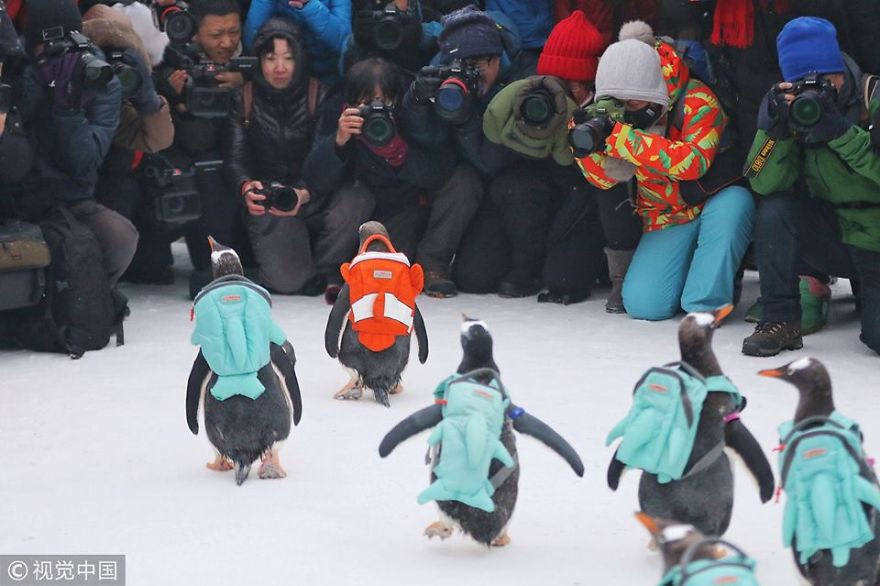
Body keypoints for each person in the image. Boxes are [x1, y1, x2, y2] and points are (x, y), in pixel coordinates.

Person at [574, 35, 754, 320]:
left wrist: (624, 140)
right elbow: (605, 181)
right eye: (617, 102)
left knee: (701, 304)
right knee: (645, 305)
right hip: (665, 214)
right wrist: (588, 147)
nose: (625, 111)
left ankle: (710, 293)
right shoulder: (614, 113)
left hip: (712, 200)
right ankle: (694, 270)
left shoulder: (696, 99)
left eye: (632, 102)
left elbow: (694, 162)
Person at [741, 17, 880, 357]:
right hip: (835, 235)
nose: (816, 91)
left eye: (825, 79)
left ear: (840, 70)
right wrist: (776, 130)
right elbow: (760, 180)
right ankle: (780, 319)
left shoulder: (872, 97)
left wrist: (839, 132)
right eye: (802, 83)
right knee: (776, 211)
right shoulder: (793, 111)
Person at [303, 56, 481, 298]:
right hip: (380, 208)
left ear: (397, 98)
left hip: (419, 198)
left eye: (384, 101)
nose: (377, 110)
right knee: (380, 270)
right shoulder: (341, 116)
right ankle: (339, 270)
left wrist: (398, 152)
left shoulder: (415, 110)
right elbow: (315, 178)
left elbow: (441, 169)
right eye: (366, 103)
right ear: (350, 104)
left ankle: (433, 266)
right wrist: (338, 141)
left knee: (464, 181)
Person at [226, 17, 372, 296]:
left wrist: (304, 192)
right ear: (258, 60)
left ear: (300, 59)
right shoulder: (242, 98)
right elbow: (234, 158)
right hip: (271, 200)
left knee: (358, 196)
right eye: (270, 58)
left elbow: (323, 162)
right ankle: (304, 270)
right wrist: (245, 187)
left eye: (288, 58)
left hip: (316, 194)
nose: (279, 67)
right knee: (288, 281)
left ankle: (328, 267)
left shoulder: (321, 94)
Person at [10, 0, 136, 286]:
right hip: (13, 195)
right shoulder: (16, 66)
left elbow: (85, 162)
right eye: (49, 48)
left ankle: (93, 301)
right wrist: (36, 82)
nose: (59, 56)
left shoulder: (98, 78)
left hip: (70, 197)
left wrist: (67, 106)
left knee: (119, 236)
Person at [155, 0, 251, 296]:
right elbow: (193, 141)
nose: (226, 42)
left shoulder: (253, 60)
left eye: (233, 32)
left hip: (249, 158)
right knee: (206, 168)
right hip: (197, 163)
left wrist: (244, 83)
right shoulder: (175, 63)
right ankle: (212, 264)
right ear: (195, 33)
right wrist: (178, 100)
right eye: (216, 34)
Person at [82, 4, 176, 284]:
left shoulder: (121, 99)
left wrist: (148, 100)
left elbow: (157, 139)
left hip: (115, 182)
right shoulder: (60, 92)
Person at [242, 0, 350, 85]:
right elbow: (252, 42)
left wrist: (309, 5)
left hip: (326, 75)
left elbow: (343, 43)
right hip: (279, 75)